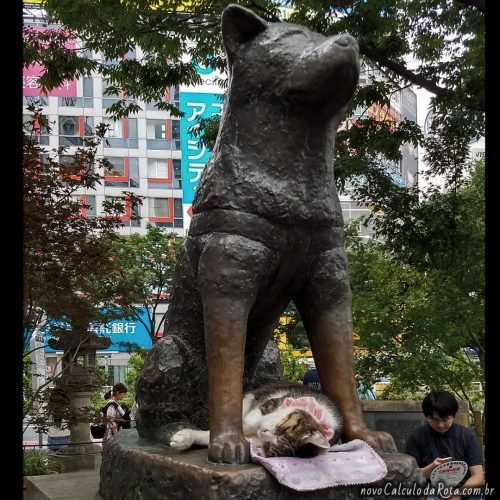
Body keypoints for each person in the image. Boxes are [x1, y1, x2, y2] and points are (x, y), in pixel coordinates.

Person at [405, 390, 484, 500]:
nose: (440, 425)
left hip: (464, 489)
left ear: (454, 416)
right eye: (434, 420)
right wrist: (432, 467)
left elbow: (478, 476)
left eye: (445, 419)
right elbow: (411, 478)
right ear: (427, 416)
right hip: (431, 491)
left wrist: (457, 495)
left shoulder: (467, 436)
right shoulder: (416, 437)